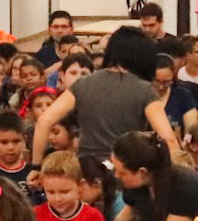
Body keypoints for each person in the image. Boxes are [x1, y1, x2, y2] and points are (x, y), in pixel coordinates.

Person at [33, 24, 179, 161]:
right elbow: (168, 138)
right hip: (127, 168)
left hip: (88, 168)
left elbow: (44, 121)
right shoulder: (145, 90)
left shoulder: (82, 84)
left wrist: (36, 165)